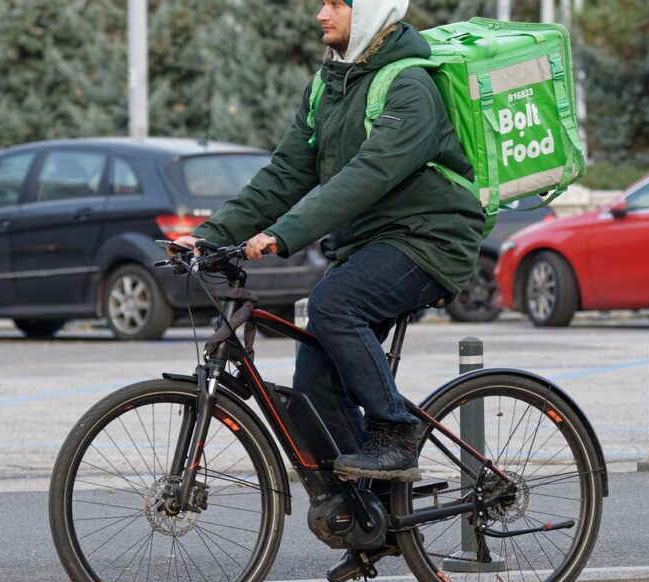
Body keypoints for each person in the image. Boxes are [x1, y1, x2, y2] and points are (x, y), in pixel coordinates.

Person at [176, 0, 481, 501]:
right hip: (368, 242)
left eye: (338, 3)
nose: (321, 14)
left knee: (334, 304)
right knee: (315, 385)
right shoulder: (327, 85)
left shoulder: (409, 85)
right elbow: (286, 174)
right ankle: (370, 509)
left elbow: (367, 176)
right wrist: (209, 233)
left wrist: (284, 234)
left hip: (429, 239)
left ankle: (397, 431)